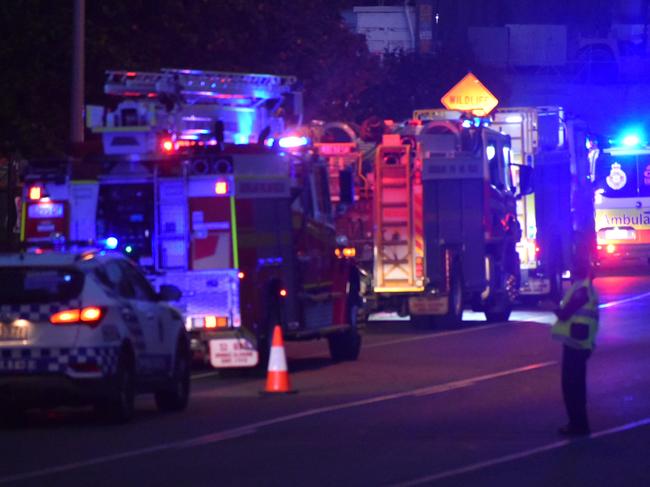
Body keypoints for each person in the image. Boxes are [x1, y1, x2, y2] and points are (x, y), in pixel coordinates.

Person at [551, 258, 599, 437]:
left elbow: (565, 314)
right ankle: (579, 424)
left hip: (575, 344)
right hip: (583, 343)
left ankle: (577, 425)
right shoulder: (588, 290)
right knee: (576, 386)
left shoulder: (581, 290)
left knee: (572, 387)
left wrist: (554, 305)